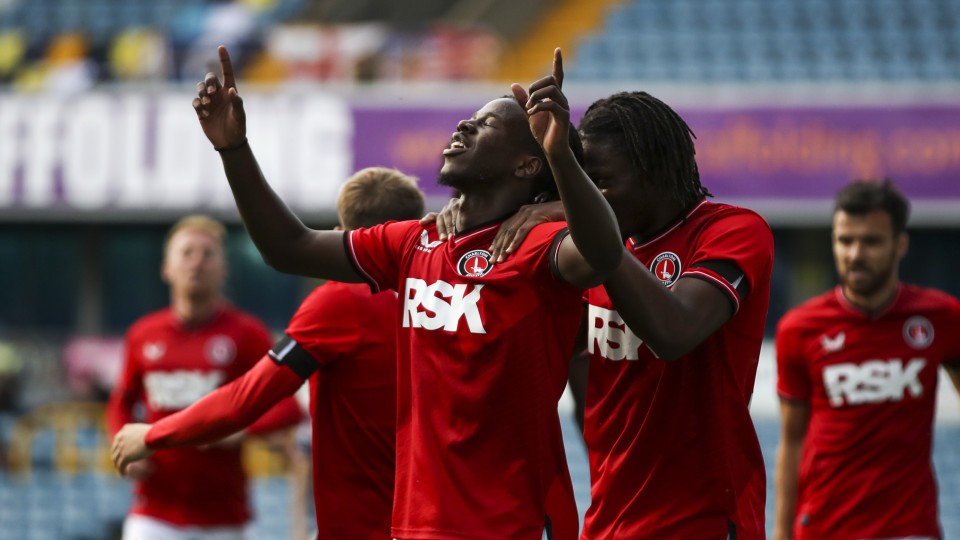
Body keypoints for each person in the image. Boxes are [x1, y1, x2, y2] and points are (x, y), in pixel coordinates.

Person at [113, 46, 625, 540]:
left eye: (487, 123)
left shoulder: (540, 247)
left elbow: (603, 252)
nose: (465, 125)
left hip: (512, 523)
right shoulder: (414, 243)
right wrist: (233, 149)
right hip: (416, 524)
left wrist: (561, 162)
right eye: (469, 116)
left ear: (526, 166)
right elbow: (289, 246)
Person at [436, 90, 774, 538]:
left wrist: (591, 230)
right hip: (608, 518)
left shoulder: (731, 231)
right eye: (583, 187)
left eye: (601, 186)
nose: (587, 201)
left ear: (653, 174)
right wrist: (466, 226)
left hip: (702, 518)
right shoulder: (576, 253)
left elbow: (674, 332)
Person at [116, 168, 425, 538]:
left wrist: (152, 436)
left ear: (343, 238)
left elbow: (247, 399)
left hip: (360, 526)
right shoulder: (451, 297)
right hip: (435, 519)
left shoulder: (343, 301)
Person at [774, 179, 960, 540]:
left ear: (900, 245)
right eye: (846, 240)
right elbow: (792, 442)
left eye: (871, 241)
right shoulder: (800, 329)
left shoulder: (941, 318)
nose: (855, 254)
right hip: (824, 528)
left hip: (909, 528)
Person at [106, 215, 303, 540]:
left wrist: (240, 429)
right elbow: (121, 403)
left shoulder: (247, 333)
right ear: (166, 268)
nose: (197, 262)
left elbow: (288, 408)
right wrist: (125, 451)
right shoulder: (143, 334)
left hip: (224, 518)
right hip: (154, 514)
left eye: (208, 254)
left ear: (224, 269)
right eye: (186, 253)